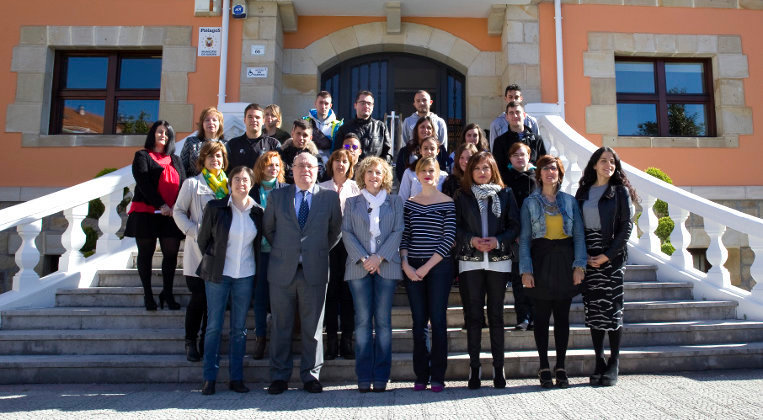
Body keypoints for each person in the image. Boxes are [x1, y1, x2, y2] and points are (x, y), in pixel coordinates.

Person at [263, 152, 342, 395]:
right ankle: (279, 376)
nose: (305, 169)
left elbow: (335, 232)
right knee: (280, 326)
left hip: (314, 270)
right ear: (292, 169)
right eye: (300, 165)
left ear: (318, 170)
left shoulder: (329, 198)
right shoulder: (277, 196)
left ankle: (311, 375)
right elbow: (268, 229)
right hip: (281, 270)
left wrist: (314, 251)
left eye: (310, 165)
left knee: (313, 327)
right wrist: (288, 250)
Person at [519, 155, 586, 389]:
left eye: (554, 169)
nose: (550, 173)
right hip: (540, 260)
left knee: (562, 319)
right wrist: (525, 270)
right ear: (539, 173)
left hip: (564, 261)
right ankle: (544, 365)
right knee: (540, 318)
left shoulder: (570, 201)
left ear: (560, 174)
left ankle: (561, 366)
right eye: (546, 169)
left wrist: (579, 266)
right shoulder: (529, 202)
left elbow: (578, 235)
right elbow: (525, 239)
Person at [454, 151, 520, 389]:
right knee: (472, 316)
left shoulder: (506, 193)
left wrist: (498, 240)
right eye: (477, 168)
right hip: (470, 261)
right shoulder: (462, 195)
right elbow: (456, 227)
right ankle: (475, 369)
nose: (482, 172)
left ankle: (498, 367)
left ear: (493, 170)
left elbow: (515, 225)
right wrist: (471, 240)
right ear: (470, 171)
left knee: (496, 315)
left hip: (498, 260)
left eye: (486, 168)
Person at [196, 166, 264, 395]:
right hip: (218, 274)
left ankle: (236, 378)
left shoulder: (258, 212)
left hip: (245, 274)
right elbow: (203, 240)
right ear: (229, 183)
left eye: (245, 180)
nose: (240, 183)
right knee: (214, 327)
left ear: (252, 184)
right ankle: (209, 378)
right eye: (236, 179)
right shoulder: (216, 208)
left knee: (239, 329)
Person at [341, 156, 404, 392]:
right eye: (369, 172)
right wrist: (365, 259)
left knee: (384, 323)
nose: (373, 176)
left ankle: (381, 375)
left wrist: (380, 257)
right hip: (359, 267)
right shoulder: (352, 202)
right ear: (362, 176)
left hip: (386, 266)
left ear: (384, 176)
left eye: (378, 173)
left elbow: (398, 230)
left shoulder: (395, 202)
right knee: (363, 322)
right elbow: (346, 232)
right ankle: (364, 375)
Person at [575, 147, 636, 387]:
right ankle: (598, 359)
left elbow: (626, 228)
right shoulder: (583, 191)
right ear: (594, 165)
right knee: (594, 309)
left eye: (612, 162)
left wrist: (608, 256)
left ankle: (614, 361)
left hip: (611, 255)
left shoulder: (620, 192)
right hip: (588, 253)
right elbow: (576, 227)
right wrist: (583, 256)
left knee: (612, 309)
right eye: (603, 161)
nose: (608, 165)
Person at [400, 157, 456, 393]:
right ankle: (421, 375)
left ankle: (438, 376)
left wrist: (426, 267)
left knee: (438, 321)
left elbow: (448, 239)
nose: (427, 174)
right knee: (419, 323)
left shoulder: (448, 202)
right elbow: (405, 236)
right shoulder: (410, 203)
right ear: (417, 174)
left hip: (439, 269)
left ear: (438, 173)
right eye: (423, 170)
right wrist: (405, 264)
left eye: (431, 170)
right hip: (412, 267)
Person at [173, 141, 229, 362]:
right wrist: (191, 230)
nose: (216, 160)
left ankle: (208, 342)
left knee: (214, 302)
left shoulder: (228, 185)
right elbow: (178, 211)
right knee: (199, 298)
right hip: (198, 250)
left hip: (222, 251)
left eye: (219, 157)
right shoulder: (192, 184)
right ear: (203, 160)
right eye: (211, 157)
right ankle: (190, 341)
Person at [124, 120, 185, 311]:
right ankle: (148, 295)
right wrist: (161, 204)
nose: (163, 136)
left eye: (167, 134)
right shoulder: (142, 156)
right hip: (146, 212)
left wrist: (175, 206)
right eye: (159, 132)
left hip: (170, 214)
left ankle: (167, 292)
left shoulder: (176, 159)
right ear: (153, 134)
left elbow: (183, 182)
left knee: (171, 254)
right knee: (146, 254)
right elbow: (143, 183)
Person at [319, 149, 361, 360]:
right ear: (331, 164)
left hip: (350, 246)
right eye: (337, 160)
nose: (340, 164)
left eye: (344, 161)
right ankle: (331, 342)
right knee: (330, 293)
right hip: (328, 246)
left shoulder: (356, 188)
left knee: (348, 295)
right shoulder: (322, 188)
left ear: (349, 165)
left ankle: (347, 341)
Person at [248, 151, 288, 360]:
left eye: (276, 165)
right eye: (268, 165)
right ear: (261, 167)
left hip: (280, 252)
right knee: (261, 297)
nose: (273, 168)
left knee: (280, 298)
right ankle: (260, 338)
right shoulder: (251, 191)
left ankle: (279, 339)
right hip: (259, 252)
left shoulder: (286, 191)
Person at [502, 142, 537, 331]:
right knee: (517, 278)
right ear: (510, 159)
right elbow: (505, 210)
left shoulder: (537, 178)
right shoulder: (505, 179)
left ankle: (535, 317)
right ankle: (522, 317)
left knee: (535, 277)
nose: (519, 158)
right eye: (515, 155)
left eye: (522, 154)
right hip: (515, 237)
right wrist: (514, 233)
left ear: (529, 156)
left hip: (536, 237)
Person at [335, 90, 392, 164]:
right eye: (362, 103)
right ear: (355, 105)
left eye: (369, 103)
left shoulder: (381, 127)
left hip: (374, 172)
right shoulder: (344, 129)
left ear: (373, 106)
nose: (366, 106)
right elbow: (338, 153)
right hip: (352, 173)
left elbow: (388, 154)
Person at [492, 101, 547, 174]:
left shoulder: (537, 140)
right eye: (511, 113)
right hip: (510, 183)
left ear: (524, 115)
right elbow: (498, 169)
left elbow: (543, 164)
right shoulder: (500, 141)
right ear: (507, 117)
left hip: (533, 182)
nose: (515, 116)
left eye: (517, 112)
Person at [226, 103, 281, 172]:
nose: (254, 120)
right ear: (244, 120)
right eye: (250, 117)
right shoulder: (232, 144)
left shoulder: (273, 145)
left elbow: (279, 171)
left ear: (263, 121)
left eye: (257, 117)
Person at [395, 116, 448, 182]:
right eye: (422, 127)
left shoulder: (441, 150)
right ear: (417, 130)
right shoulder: (405, 151)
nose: (426, 130)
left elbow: (445, 168)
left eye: (429, 128)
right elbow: (400, 173)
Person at [179, 106, 227, 177]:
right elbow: (182, 168)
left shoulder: (226, 144)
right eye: (207, 120)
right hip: (195, 185)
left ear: (220, 124)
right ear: (202, 123)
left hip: (219, 186)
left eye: (214, 120)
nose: (211, 122)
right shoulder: (191, 142)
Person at [489, 84, 538, 149]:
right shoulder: (496, 124)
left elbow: (537, 147)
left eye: (516, 97)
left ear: (521, 99)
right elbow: (494, 150)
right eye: (510, 97)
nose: (513, 100)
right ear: (506, 99)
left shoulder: (532, 122)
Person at [398, 136, 448, 201]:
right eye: (425, 148)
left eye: (432, 149)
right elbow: (402, 199)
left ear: (437, 151)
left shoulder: (444, 176)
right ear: (420, 150)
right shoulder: (409, 172)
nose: (429, 151)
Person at [279, 120, 327, 184]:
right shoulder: (280, 154)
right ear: (292, 133)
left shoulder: (315, 157)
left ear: (310, 138)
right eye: (298, 133)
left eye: (305, 135)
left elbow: (320, 178)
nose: (301, 138)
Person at [303, 91, 343, 163]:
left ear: (330, 106)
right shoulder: (304, 122)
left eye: (326, 104)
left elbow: (343, 148)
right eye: (320, 102)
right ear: (315, 104)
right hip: (308, 164)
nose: (323, 106)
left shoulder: (338, 125)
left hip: (329, 167)